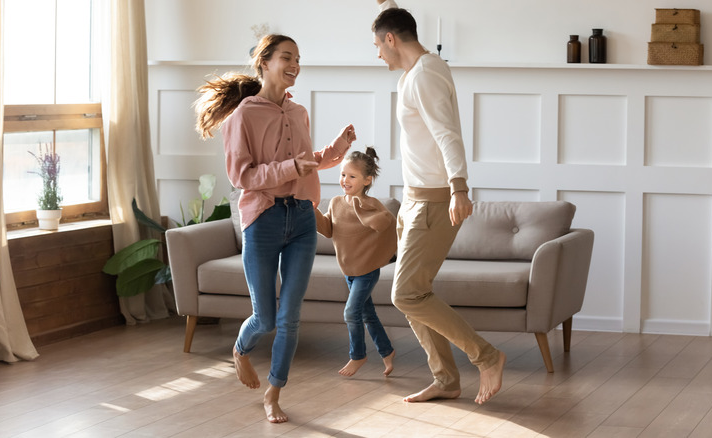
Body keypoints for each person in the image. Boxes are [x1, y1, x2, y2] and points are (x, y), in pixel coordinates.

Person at [194, 34, 356, 423]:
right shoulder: (243, 115)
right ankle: (240, 349)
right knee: (264, 318)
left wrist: (334, 150)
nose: (295, 63)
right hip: (263, 221)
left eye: (298, 58)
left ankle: (274, 393)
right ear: (263, 62)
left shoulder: (298, 113)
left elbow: (304, 161)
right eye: (287, 57)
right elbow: (241, 176)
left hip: (301, 218)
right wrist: (290, 169)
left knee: (289, 318)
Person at [372, 1, 507, 405]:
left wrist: (459, 188)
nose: (377, 53)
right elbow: (390, 21)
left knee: (406, 294)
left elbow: (448, 134)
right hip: (413, 199)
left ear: (392, 40)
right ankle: (446, 379)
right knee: (416, 294)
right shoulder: (419, 69)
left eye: (377, 44)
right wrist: (385, 5)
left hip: (433, 201)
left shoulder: (425, 76)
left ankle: (487, 356)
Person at [314, 147, 397, 378]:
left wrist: (361, 209)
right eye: (343, 174)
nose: (345, 180)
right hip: (348, 269)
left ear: (367, 180)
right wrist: (313, 213)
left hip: (367, 270)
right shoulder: (336, 202)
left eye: (352, 176)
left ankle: (357, 355)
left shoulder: (371, 204)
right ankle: (387, 351)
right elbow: (329, 230)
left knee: (351, 312)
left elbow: (384, 223)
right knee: (366, 314)